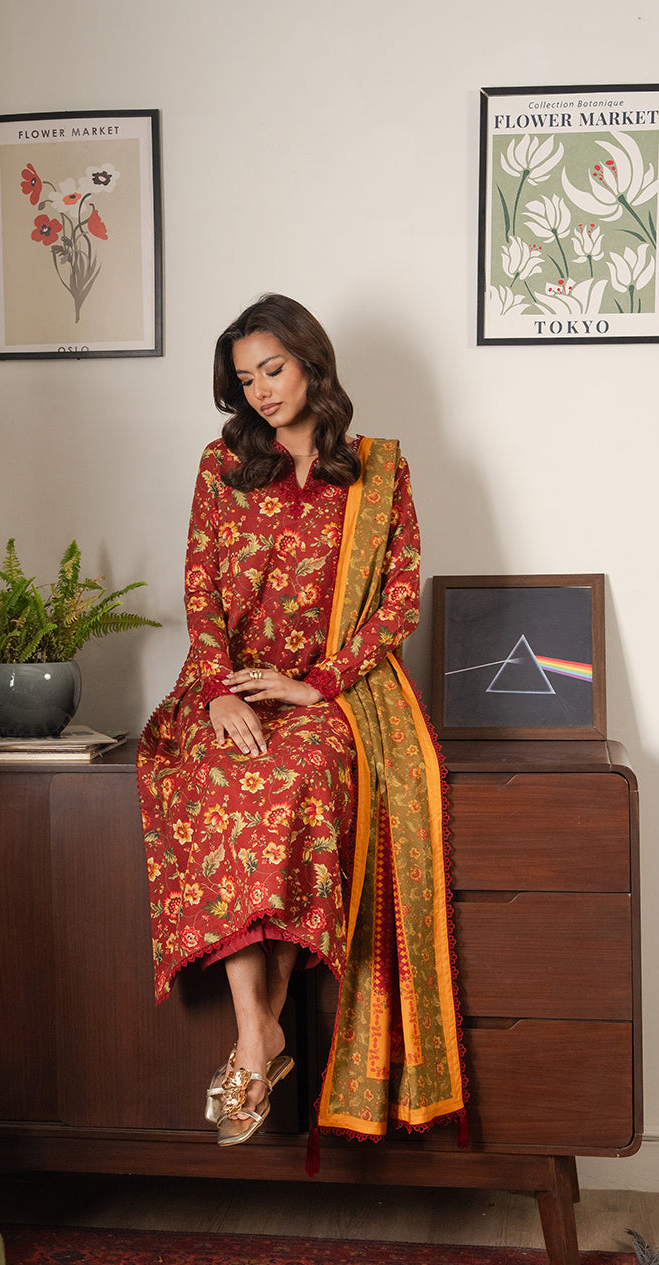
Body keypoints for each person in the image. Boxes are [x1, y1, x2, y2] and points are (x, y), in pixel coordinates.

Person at [137, 294, 466, 1150]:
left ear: (311, 364)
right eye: (245, 378)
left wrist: (318, 686)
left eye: (272, 369)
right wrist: (218, 691)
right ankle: (260, 1035)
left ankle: (256, 1038)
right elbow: (201, 587)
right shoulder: (222, 465)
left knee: (296, 782)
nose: (260, 390)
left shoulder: (376, 472)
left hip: (328, 695)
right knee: (218, 778)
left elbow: (398, 602)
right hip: (228, 683)